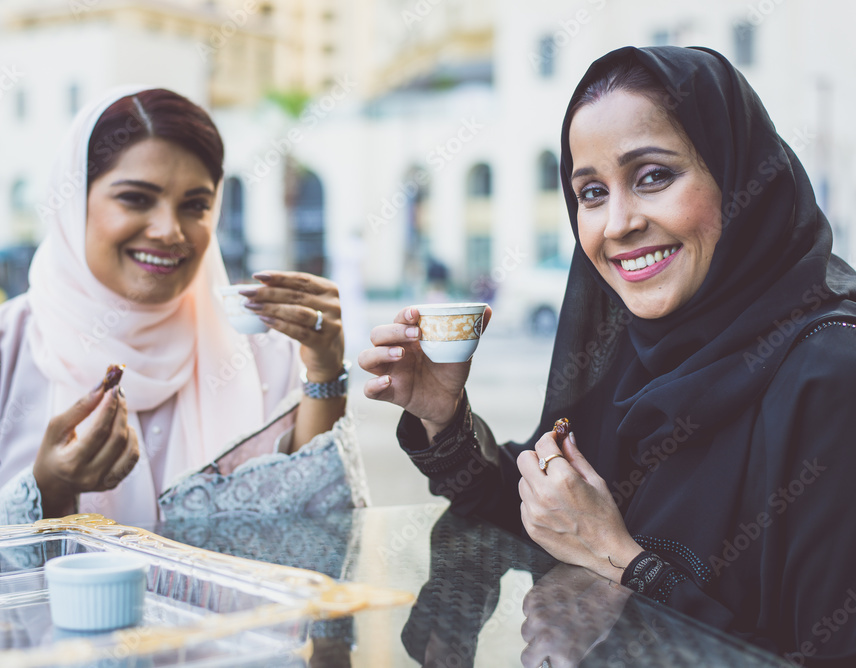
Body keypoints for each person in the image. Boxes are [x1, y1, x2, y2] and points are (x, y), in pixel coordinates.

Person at [360, 45, 856, 664]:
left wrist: (622, 563)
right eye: (591, 192)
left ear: (738, 181)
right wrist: (443, 414)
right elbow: (542, 511)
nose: (616, 223)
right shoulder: (635, 346)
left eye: (653, 176)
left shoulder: (830, 374)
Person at [0, 87, 355, 529]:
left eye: (195, 206)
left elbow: (323, 535)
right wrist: (47, 490)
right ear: (74, 201)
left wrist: (325, 371)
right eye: (136, 198)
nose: (170, 231)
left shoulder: (265, 350)